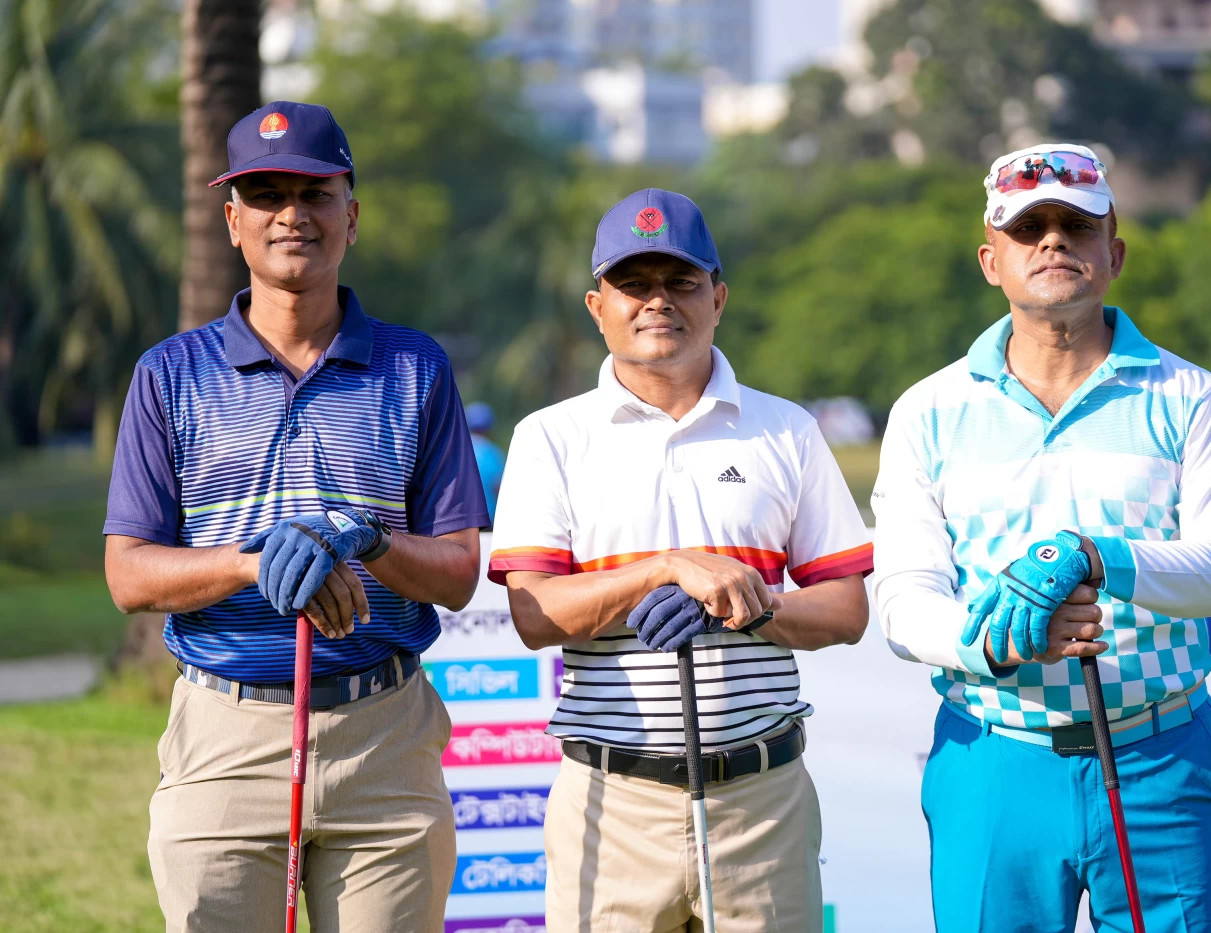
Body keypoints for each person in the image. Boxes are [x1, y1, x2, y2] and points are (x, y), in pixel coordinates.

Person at [103, 100, 490, 932]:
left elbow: (460, 570)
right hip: (226, 734)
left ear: (351, 216)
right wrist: (254, 563)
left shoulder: (416, 367)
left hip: (383, 736)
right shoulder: (168, 374)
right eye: (266, 194)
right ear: (232, 221)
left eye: (315, 193)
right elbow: (128, 572)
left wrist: (369, 539)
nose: (292, 214)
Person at [871, 144, 1211, 932]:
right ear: (992, 261)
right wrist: (1005, 638)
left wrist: (1098, 557)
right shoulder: (928, 410)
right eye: (1029, 228)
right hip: (993, 757)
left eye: (1077, 225)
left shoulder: (1193, 396)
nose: (1053, 240)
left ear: (1113, 254)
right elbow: (905, 602)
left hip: (1160, 755)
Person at [488, 188, 873, 932]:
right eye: (634, 283)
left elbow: (846, 609)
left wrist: (750, 604)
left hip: (761, 800)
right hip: (613, 799)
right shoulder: (550, 436)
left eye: (681, 281)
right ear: (598, 306)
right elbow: (535, 615)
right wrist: (665, 568)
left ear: (718, 298)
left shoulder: (786, 429)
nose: (657, 300)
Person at [464, 400, 505, 524]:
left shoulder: (457, 450)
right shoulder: (493, 452)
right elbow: (499, 488)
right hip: (488, 519)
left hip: (461, 519)